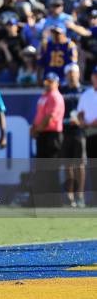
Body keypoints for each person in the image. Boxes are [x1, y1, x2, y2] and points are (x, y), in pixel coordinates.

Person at [31, 72, 65, 204]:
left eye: (50, 81)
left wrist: (37, 129)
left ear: (57, 83)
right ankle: (41, 198)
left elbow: (50, 117)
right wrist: (34, 127)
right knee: (41, 168)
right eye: (46, 81)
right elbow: (39, 115)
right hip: (43, 134)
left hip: (52, 136)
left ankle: (55, 200)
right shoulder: (44, 96)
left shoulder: (56, 97)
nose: (48, 84)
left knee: (51, 167)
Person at [59, 64, 86, 207]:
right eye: (69, 73)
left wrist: (81, 121)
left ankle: (80, 195)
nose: (71, 75)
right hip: (65, 131)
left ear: (78, 74)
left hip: (80, 132)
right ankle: (69, 196)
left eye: (74, 73)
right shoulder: (61, 91)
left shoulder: (84, 91)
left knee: (80, 164)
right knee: (67, 165)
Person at [77, 66, 97, 201]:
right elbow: (80, 113)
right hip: (89, 135)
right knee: (92, 167)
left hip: (92, 130)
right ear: (92, 77)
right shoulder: (87, 94)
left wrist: (88, 124)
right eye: (96, 75)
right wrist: (82, 122)